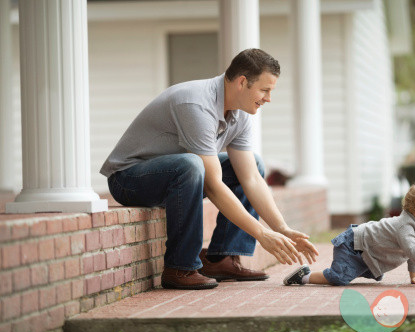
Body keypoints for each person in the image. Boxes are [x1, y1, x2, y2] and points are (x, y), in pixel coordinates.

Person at [100, 48, 318, 290]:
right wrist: (261, 234)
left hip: (177, 176)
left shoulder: (241, 113)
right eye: (264, 90)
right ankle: (180, 268)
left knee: (251, 163)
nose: (268, 98)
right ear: (242, 82)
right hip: (129, 178)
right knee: (191, 164)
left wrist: (282, 229)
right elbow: (213, 185)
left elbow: (251, 179)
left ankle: (221, 258)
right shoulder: (196, 103)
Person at [283, 181, 415, 286]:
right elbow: (412, 251)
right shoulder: (405, 226)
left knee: (352, 273)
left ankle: (344, 271)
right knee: (339, 278)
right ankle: (304, 276)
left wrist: (414, 276)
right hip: (354, 244)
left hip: (365, 251)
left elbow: (413, 254)